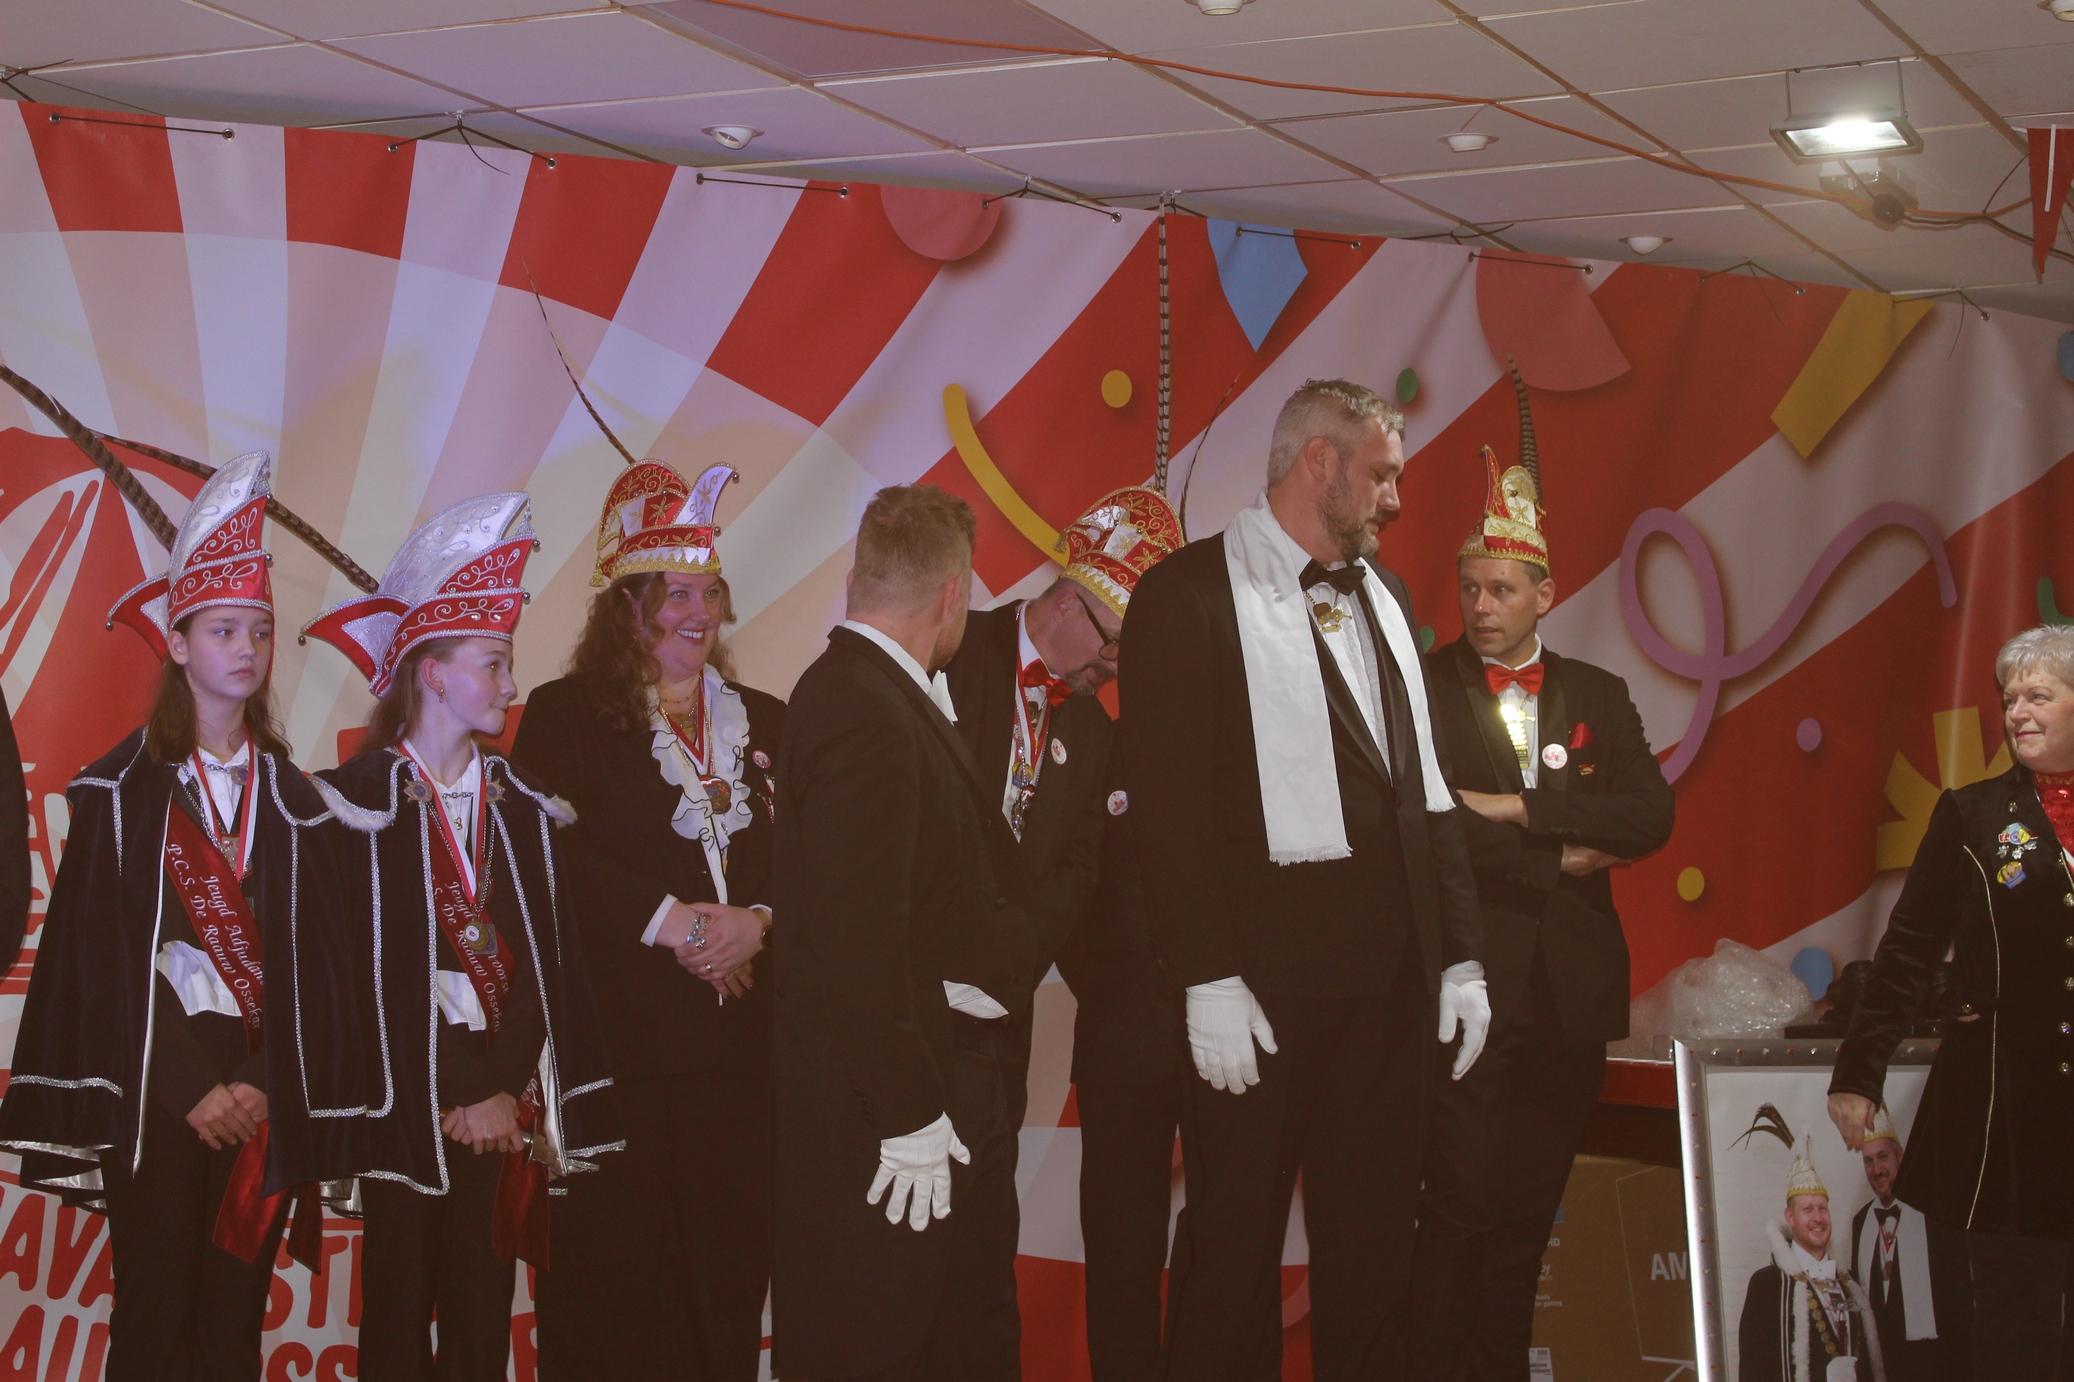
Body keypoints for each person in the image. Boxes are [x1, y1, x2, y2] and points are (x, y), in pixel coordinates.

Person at [1122, 378, 1487, 1381]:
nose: (1395, 499)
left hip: (1386, 995)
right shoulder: (1186, 594)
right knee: (1232, 1249)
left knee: (1373, 1252)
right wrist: (1205, 972)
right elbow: (1167, 810)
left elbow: (1425, 790)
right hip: (1259, 996)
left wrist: (1460, 955)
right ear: (1318, 463)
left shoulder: (1387, 596)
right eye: (1381, 475)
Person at [0, 452, 365, 1381]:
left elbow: (323, 969)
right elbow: (96, 965)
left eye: (260, 632)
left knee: (233, 1331)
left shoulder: (302, 803)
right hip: (158, 1095)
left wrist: (262, 1082)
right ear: (176, 642)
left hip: (263, 1092)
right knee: (156, 1324)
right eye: (223, 630)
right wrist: (192, 1088)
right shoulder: (118, 794)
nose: (246, 649)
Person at [303, 493, 621, 1382]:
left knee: (482, 1326)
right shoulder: (348, 804)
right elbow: (350, 976)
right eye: (495, 662)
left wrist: (501, 1090)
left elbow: (548, 966)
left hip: (498, 1105)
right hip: (403, 1101)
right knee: (395, 1321)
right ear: (434, 674)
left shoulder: (526, 807)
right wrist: (461, 1088)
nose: (512, 685)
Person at [1410, 393, 1674, 1381]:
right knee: (1458, 1208)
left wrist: (1522, 811)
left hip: (1569, 997)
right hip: (1469, 988)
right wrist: (1559, 853)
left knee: (1527, 1215)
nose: (1479, 606)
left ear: (1544, 593)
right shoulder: (1424, 687)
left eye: (1499, 590)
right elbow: (1429, 829)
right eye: (1468, 588)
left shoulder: (1598, 692)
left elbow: (1648, 818)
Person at [514, 461, 781, 1382]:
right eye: (677, 594)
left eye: (711, 592)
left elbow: (815, 860)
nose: (701, 613)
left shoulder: (769, 722)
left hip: (741, 1072)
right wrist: (676, 923)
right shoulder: (562, 716)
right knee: (609, 1298)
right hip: (617, 1065)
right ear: (628, 608)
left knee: (722, 1296)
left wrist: (759, 921)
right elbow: (546, 855)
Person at [771, 484, 1034, 1382]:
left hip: (927, 1080)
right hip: (884, 1111)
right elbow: (857, 938)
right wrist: (909, 1113)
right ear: (952, 595)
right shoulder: (861, 704)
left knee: (946, 1336)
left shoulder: (875, 692)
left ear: (859, 579)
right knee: (878, 1341)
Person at [939, 484, 1185, 1377]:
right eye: (1113, 643)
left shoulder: (1093, 730)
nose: (1113, 670)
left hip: (995, 1030)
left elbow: (1078, 876)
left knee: (978, 1261)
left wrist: (1005, 965)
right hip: (898, 1018)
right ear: (1067, 604)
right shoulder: (946, 655)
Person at [1830, 624, 2074, 1379]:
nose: (2018, 712)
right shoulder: (1972, 814)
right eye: (2010, 699)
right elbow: (1908, 947)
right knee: (2014, 1311)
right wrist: (1858, 1072)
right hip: (2009, 1111)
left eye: (2039, 696)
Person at [1739, 1139, 1886, 1382]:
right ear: (1790, 1217)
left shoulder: (1851, 1284)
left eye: (1822, 1209)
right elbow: (1752, 1371)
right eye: (1807, 1210)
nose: (1818, 1218)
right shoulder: (1767, 1285)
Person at [1847, 1108, 1968, 1381]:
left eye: (1883, 1157)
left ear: (1900, 1156)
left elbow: (1959, 1305)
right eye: (1868, 1161)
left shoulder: (1937, 1215)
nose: (1877, 1170)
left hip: (1932, 1366)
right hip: (1881, 1368)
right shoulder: (1860, 1222)